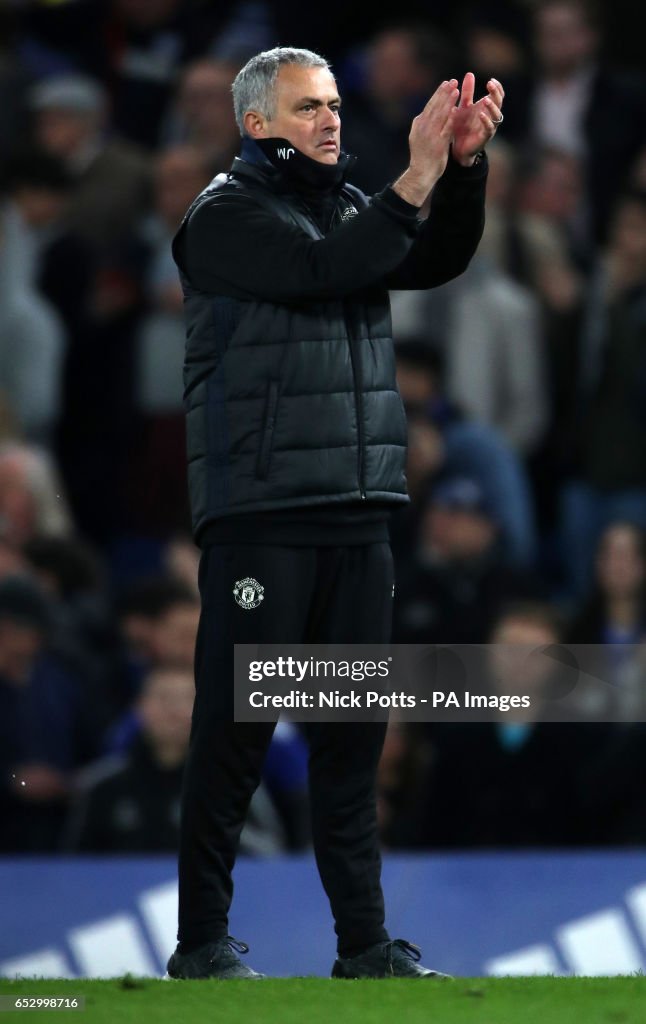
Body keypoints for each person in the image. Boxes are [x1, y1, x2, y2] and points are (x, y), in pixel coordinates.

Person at [168, 46, 502, 981]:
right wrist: (415, 175)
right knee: (234, 738)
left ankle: (364, 947)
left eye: (335, 104)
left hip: (359, 514)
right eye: (308, 107)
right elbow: (324, 271)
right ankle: (201, 945)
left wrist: (463, 166)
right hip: (263, 515)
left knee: (352, 744)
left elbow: (432, 257)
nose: (331, 119)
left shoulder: (350, 210)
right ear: (256, 125)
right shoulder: (223, 217)